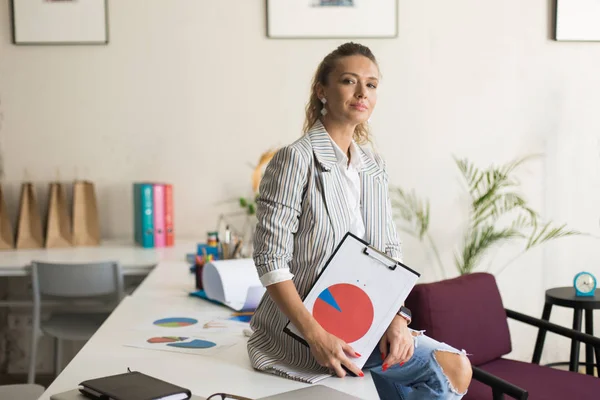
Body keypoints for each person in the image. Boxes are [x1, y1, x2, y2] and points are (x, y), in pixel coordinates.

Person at [247, 42, 472, 399]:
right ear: (322, 90)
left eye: (371, 84)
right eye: (349, 81)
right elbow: (270, 261)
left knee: (452, 368)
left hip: (365, 318)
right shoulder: (295, 159)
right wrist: (316, 335)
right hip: (305, 332)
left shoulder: (372, 165)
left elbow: (387, 251)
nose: (362, 92)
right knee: (452, 369)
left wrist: (398, 316)